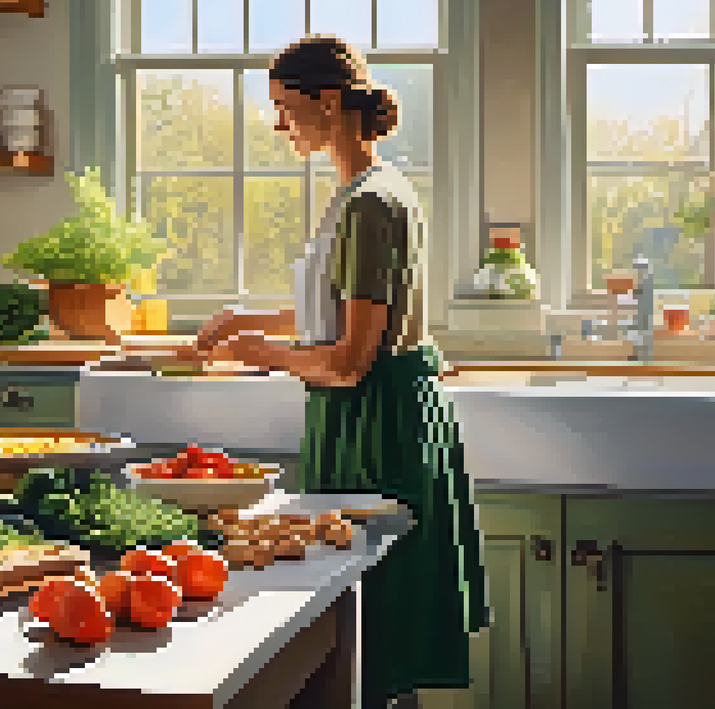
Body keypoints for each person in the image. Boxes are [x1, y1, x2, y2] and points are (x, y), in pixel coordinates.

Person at [188, 35, 490, 709]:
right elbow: (337, 310)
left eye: (284, 106)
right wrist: (247, 319)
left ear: (328, 100)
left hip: (374, 423)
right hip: (371, 416)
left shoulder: (368, 205)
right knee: (361, 631)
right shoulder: (370, 188)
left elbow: (350, 361)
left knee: (366, 629)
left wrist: (262, 356)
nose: (277, 123)